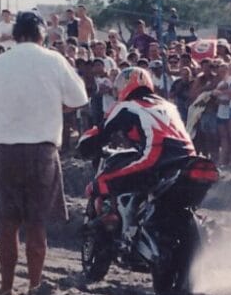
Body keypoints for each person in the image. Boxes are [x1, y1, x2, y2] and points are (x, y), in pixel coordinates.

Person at [0, 11, 89, 295]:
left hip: (6, 150)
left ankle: (6, 288)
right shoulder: (54, 60)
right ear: (42, 35)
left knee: (8, 223)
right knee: (36, 224)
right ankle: (34, 288)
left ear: (14, 35)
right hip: (42, 150)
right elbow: (79, 99)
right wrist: (54, 108)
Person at [78, 67, 197, 242]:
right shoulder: (169, 106)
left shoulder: (126, 106)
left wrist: (84, 144)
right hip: (189, 161)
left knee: (101, 181)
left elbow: (102, 131)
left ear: (125, 86)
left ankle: (111, 223)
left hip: (155, 159)